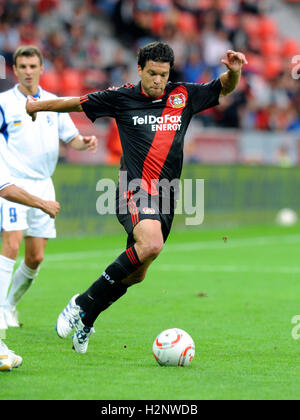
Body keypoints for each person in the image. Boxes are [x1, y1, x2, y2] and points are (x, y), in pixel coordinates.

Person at [26, 42, 247, 354]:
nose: (158, 80)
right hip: (133, 189)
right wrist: (37, 107)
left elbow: (223, 87)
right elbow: (76, 103)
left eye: (163, 74)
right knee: (151, 244)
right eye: (152, 73)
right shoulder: (122, 97)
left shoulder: (182, 96)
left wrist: (234, 72)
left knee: (138, 273)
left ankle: (88, 317)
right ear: (140, 69)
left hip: (167, 197)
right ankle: (81, 302)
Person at [0, 45, 98, 330]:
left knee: (35, 257)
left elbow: (72, 138)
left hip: (44, 184)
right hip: (13, 184)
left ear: (42, 69)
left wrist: (85, 143)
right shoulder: (4, 103)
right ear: (15, 70)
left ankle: (9, 305)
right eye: (23, 67)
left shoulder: (55, 102)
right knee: (11, 244)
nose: (28, 72)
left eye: (33, 66)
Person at [0, 162, 60, 371]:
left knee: (34, 256)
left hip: (37, 187)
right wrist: (43, 204)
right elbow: (6, 189)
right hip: (26, 194)